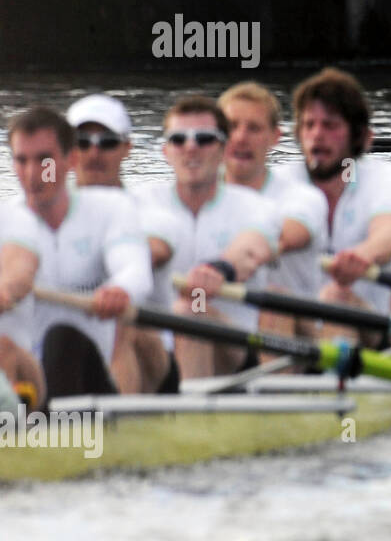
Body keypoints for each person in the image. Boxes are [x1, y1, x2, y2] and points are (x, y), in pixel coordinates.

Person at [8, 107, 152, 398]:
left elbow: (136, 271)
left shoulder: (110, 208)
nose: (32, 174)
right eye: (22, 161)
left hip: (95, 377)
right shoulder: (5, 221)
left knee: (62, 337)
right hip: (29, 382)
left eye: (44, 160)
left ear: (71, 160)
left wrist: (120, 289)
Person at [133, 97, 279, 378]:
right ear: (166, 151)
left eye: (204, 138)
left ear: (223, 149)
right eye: (179, 139)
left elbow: (251, 250)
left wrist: (219, 269)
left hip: (233, 349)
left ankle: (189, 416)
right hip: (159, 349)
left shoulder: (257, 206)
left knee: (191, 311)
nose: (191, 147)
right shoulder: (139, 202)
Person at [277, 67, 391, 330]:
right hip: (310, 331)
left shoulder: (389, 180)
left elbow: (389, 235)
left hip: (386, 329)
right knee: (274, 301)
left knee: (336, 295)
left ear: (358, 135)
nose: (317, 134)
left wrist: (363, 255)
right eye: (309, 124)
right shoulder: (281, 183)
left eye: (330, 125)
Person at [66, 93, 177, 393]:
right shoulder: (38, 217)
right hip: (68, 351)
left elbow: (151, 252)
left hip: (151, 360)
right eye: (82, 142)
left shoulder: (153, 215)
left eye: (107, 142)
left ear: (127, 148)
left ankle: (119, 428)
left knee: (118, 319)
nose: (94, 153)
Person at [218, 82, 329, 341]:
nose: (240, 137)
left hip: (299, 335)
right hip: (226, 330)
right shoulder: (194, 198)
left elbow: (284, 237)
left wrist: (223, 267)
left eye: (254, 128)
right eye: (232, 127)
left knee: (272, 300)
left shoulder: (302, 196)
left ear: (274, 137)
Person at [0, 197, 43, 408]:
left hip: (26, 370)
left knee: (3, 347)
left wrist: (7, 288)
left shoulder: (16, 220)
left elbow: (21, 269)